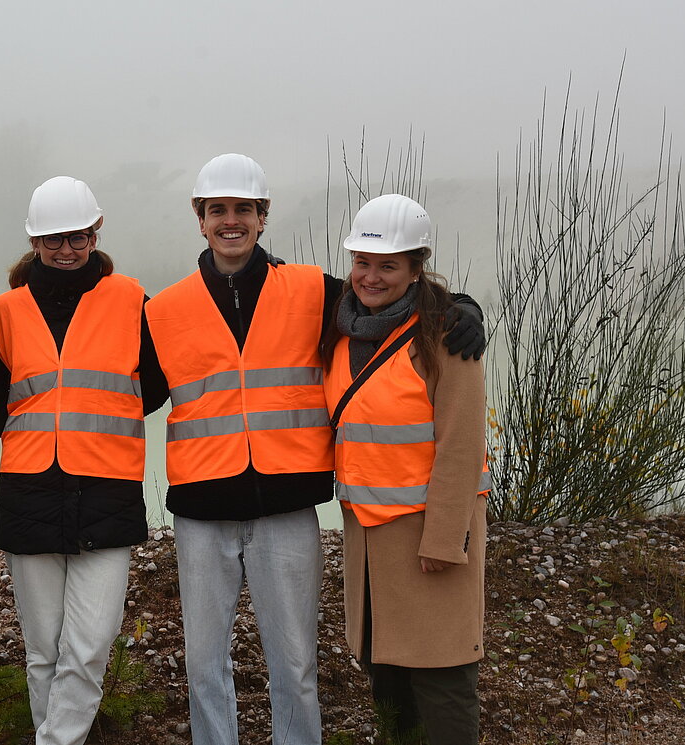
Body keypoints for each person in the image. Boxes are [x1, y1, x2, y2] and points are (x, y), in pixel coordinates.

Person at [143, 154, 485, 745]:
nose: (231, 222)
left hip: (288, 505)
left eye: (243, 210)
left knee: (297, 665)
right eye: (217, 210)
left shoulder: (311, 291)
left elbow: (393, 303)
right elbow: (118, 389)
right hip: (201, 509)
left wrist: (463, 309)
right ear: (200, 219)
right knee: (204, 666)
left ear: (262, 216)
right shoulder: (162, 309)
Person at [0, 176, 168, 745]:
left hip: (107, 488)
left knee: (87, 647)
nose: (66, 250)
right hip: (30, 490)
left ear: (95, 233)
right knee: (43, 650)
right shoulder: (4, 312)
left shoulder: (133, 300)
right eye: (54, 239)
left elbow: (155, 386)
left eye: (77, 237)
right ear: (34, 242)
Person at [324, 194, 488, 745]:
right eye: (363, 263)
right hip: (368, 539)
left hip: (429, 539)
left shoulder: (446, 335)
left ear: (417, 269)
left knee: (442, 676)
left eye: (389, 265)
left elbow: (461, 447)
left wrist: (445, 540)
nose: (371, 277)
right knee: (387, 674)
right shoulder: (340, 330)